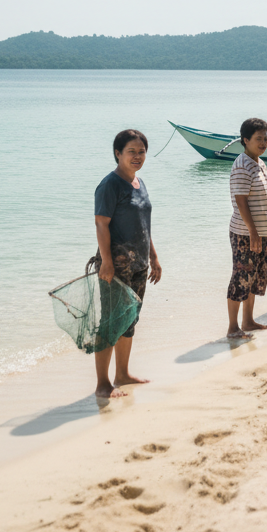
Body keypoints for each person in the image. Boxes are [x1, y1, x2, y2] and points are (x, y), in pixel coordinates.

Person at [93, 129, 162, 399]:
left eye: (141, 151)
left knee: (129, 319)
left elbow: (144, 224)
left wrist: (154, 257)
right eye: (131, 151)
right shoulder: (110, 185)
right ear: (117, 154)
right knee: (110, 322)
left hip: (139, 264)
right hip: (117, 265)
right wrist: (107, 262)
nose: (137, 156)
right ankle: (102, 384)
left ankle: (122, 374)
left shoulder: (139, 183)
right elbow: (101, 223)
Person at [226, 118, 267, 339]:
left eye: (266, 138)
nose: (263, 142)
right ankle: (232, 328)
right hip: (245, 233)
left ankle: (248, 322)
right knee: (241, 277)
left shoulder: (259, 162)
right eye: (258, 138)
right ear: (245, 140)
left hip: (261, 232)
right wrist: (253, 231)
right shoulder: (242, 165)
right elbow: (241, 201)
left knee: (255, 277)